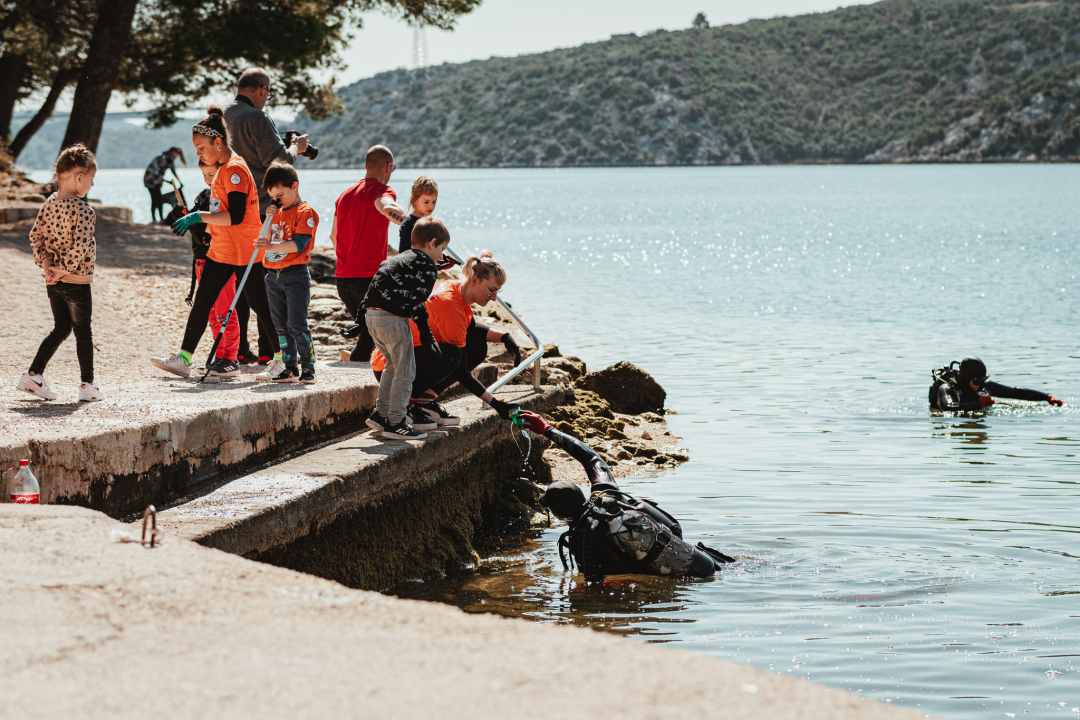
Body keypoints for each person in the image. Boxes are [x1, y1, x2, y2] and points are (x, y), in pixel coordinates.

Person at [515, 410, 734, 582]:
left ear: (558, 514)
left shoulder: (582, 540)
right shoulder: (606, 496)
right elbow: (591, 458)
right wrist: (546, 429)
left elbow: (596, 584)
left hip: (683, 579)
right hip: (708, 561)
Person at [150, 106, 271, 378]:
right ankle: (184, 359)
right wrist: (196, 221)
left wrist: (197, 215)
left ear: (218, 142)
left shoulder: (235, 169)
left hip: (243, 251)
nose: (198, 153)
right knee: (203, 303)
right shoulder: (224, 170)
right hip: (222, 250)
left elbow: (237, 216)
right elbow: (219, 215)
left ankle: (282, 360)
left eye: (200, 147)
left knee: (258, 305)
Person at [370, 251, 522, 430]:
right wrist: (497, 405)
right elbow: (461, 371)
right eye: (491, 290)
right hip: (392, 370)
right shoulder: (451, 306)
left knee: (477, 347)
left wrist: (505, 337)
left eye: (497, 292)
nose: (494, 297)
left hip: (404, 359)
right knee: (453, 356)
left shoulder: (455, 288)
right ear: (474, 280)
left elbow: (471, 327)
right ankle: (407, 405)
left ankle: (425, 401)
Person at [225, 67, 308, 363]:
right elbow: (279, 162)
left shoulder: (225, 116)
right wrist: (296, 149)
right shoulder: (257, 117)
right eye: (268, 93)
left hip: (232, 211)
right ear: (261, 89)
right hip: (263, 211)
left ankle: (239, 349)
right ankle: (268, 352)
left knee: (241, 279)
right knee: (267, 280)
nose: (267, 99)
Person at [17, 144, 103, 402]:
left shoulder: (48, 204)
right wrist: (62, 269)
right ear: (78, 177)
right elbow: (81, 246)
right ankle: (87, 384)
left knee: (61, 328)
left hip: (53, 281)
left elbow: (36, 237)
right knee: (83, 331)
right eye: (91, 179)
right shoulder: (85, 211)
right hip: (76, 282)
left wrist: (48, 266)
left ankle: (34, 374)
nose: (92, 185)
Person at [363, 216, 448, 440]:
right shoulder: (426, 264)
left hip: (371, 315)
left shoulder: (397, 259)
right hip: (392, 319)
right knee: (406, 370)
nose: (441, 255)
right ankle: (397, 422)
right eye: (442, 249)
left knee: (392, 365)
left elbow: (374, 286)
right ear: (432, 243)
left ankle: (381, 414)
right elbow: (420, 298)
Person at [332, 144, 408, 362]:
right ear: (387, 167)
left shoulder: (344, 195)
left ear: (366, 166)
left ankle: (368, 368)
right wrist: (412, 221)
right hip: (368, 279)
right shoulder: (381, 191)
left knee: (369, 333)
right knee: (375, 333)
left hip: (343, 279)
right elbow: (386, 207)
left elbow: (333, 237)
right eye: (392, 169)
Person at [171, 159, 242, 377]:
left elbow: (223, 224)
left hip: (221, 259)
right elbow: (194, 217)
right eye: (204, 175)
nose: (208, 180)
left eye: (212, 175)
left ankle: (230, 358)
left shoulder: (228, 196)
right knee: (211, 313)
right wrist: (180, 214)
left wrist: (197, 221)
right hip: (201, 259)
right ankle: (218, 356)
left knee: (224, 311)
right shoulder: (204, 195)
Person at [253, 161, 319, 384]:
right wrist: (269, 219)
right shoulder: (278, 213)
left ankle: (308, 365)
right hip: (273, 275)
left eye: (280, 195)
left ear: (295, 186)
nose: (278, 200)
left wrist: (269, 246)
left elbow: (298, 245)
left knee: (297, 323)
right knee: (280, 324)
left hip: (295, 274)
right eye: (274, 197)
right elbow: (268, 238)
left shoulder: (304, 211)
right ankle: (290, 366)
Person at [929, 356, 1065, 412]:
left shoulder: (982, 385)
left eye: (983, 381)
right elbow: (948, 407)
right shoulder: (946, 388)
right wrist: (980, 404)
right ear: (967, 379)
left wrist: (1047, 397)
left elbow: (1014, 392)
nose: (981, 385)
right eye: (977, 381)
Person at [143, 147, 186, 223]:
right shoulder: (169, 158)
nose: (176, 157)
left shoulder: (162, 156)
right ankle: (159, 219)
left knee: (156, 199)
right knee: (157, 199)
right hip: (153, 181)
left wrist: (165, 181)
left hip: (149, 180)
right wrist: (180, 182)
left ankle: (156, 219)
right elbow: (173, 171)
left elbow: (157, 171)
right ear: (173, 151)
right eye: (176, 154)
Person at [398, 176, 438, 254]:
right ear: (414, 200)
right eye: (426, 202)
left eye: (434, 202)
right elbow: (404, 254)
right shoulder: (409, 225)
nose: (431, 206)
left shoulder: (427, 223)